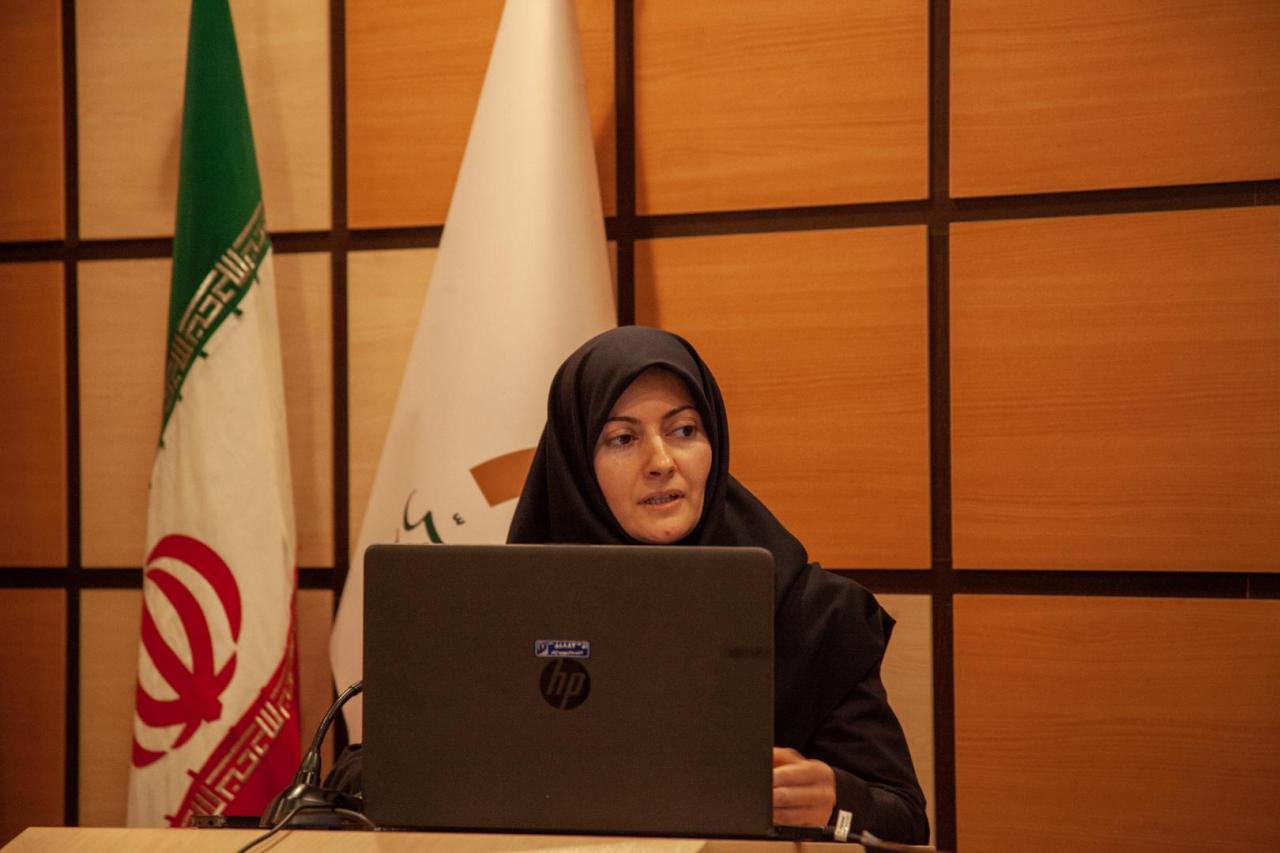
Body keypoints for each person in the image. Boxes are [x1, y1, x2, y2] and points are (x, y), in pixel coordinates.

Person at [507, 325, 928, 843]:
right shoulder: (514, 616)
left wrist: (838, 799)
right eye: (623, 439)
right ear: (576, 466)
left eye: (684, 431)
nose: (662, 463)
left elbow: (905, 821)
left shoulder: (808, 614)